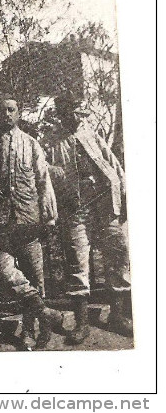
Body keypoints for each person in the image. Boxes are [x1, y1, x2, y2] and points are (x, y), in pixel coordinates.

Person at [0, 94, 65, 349]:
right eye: (1, 110)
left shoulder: (31, 144)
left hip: (28, 222)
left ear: (19, 112)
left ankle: (35, 331)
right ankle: (46, 313)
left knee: (36, 277)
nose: (6, 114)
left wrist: (48, 219)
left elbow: (43, 181)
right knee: (5, 274)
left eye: (11, 110)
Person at [48, 92, 132, 343]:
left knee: (117, 254)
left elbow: (114, 165)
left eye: (79, 112)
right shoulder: (52, 142)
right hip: (76, 208)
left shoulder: (91, 135)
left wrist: (125, 196)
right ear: (61, 114)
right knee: (77, 261)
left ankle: (118, 315)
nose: (76, 117)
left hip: (104, 205)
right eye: (70, 112)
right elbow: (44, 172)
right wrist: (55, 173)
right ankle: (82, 322)